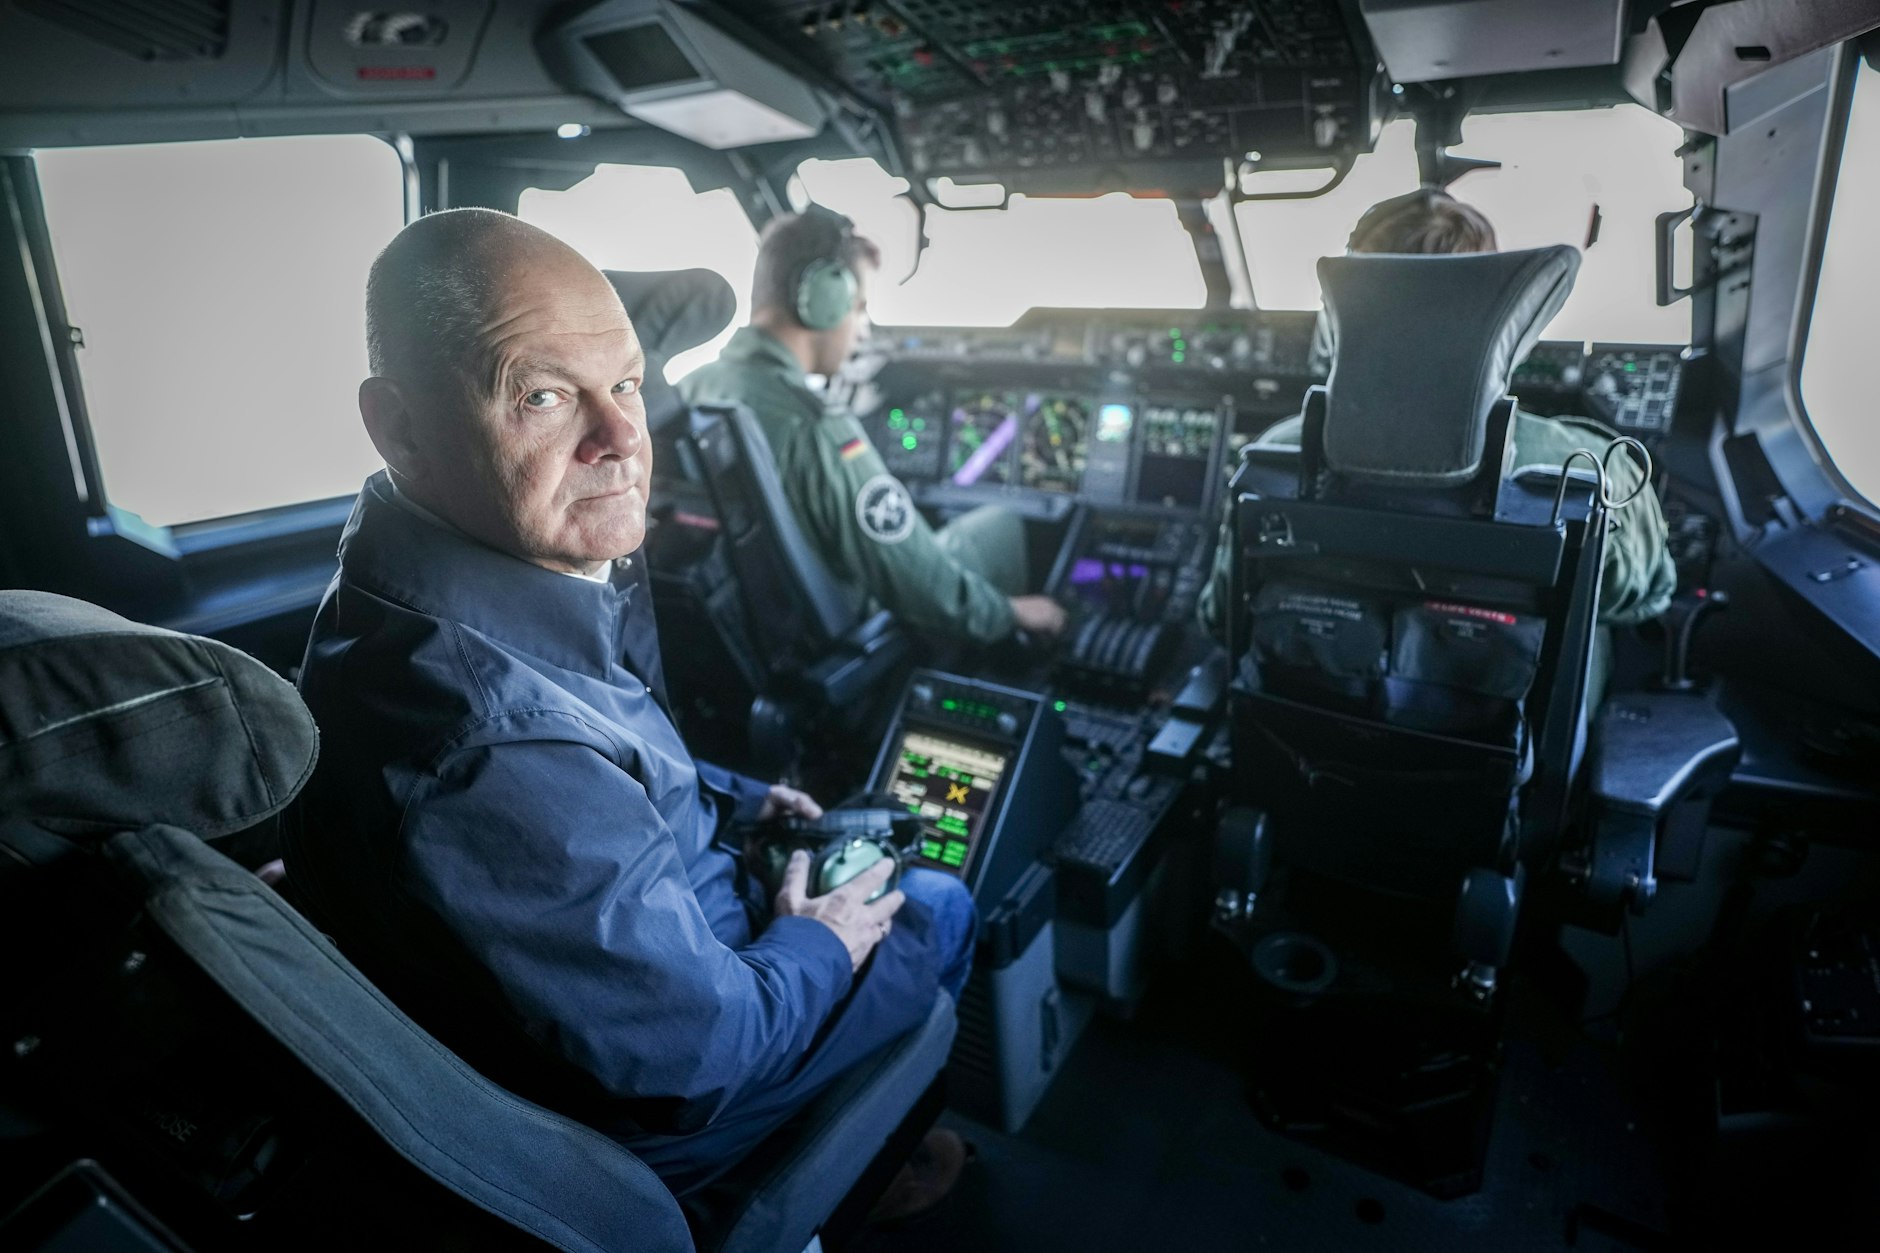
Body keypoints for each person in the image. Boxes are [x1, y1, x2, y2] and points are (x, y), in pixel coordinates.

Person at [283, 208, 976, 1208]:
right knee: (938, 900)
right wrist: (819, 939)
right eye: (543, 395)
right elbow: (700, 1054)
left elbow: (596, 759)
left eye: (628, 387)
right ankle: (859, 1171)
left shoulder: (419, 582)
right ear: (400, 426)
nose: (619, 438)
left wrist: (731, 800)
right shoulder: (492, 743)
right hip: (651, 1113)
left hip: (609, 980)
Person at [1197, 187, 1677, 640]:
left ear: (1345, 310)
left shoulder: (1275, 457)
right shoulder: (1590, 469)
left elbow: (1221, 619)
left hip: (1302, 716)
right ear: (1500, 313)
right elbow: (1645, 596)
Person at [678, 208, 1068, 645]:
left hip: (749, 630)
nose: (862, 332)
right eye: (859, 308)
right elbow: (914, 578)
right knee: (1001, 522)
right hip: (843, 637)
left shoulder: (689, 390)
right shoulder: (816, 426)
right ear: (822, 299)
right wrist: (1008, 612)